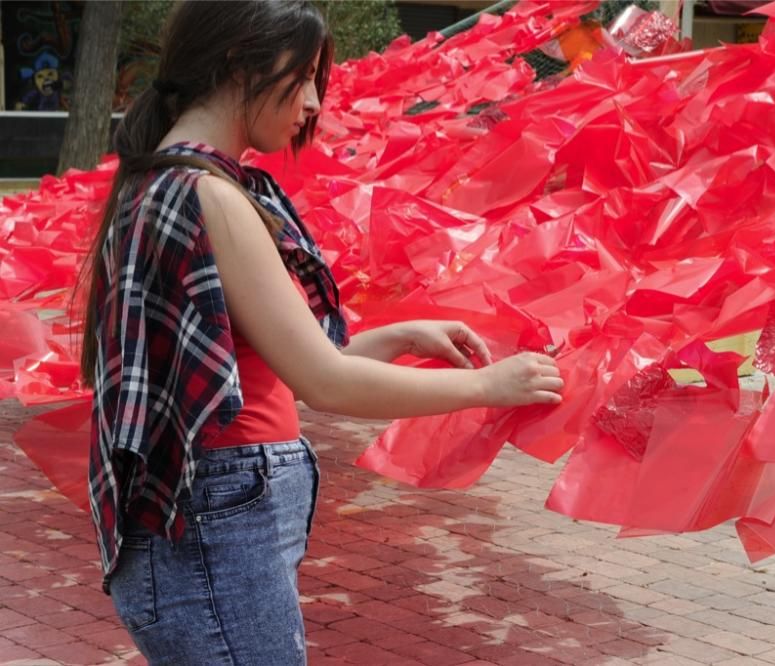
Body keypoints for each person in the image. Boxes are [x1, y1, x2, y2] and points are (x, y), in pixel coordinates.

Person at [78, 2, 564, 664]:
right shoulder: (210, 195)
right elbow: (324, 381)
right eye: (302, 75)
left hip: (204, 521)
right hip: (217, 521)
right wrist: (488, 385)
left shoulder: (160, 181)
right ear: (236, 64)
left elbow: (268, 373)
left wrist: (398, 337)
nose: (312, 102)